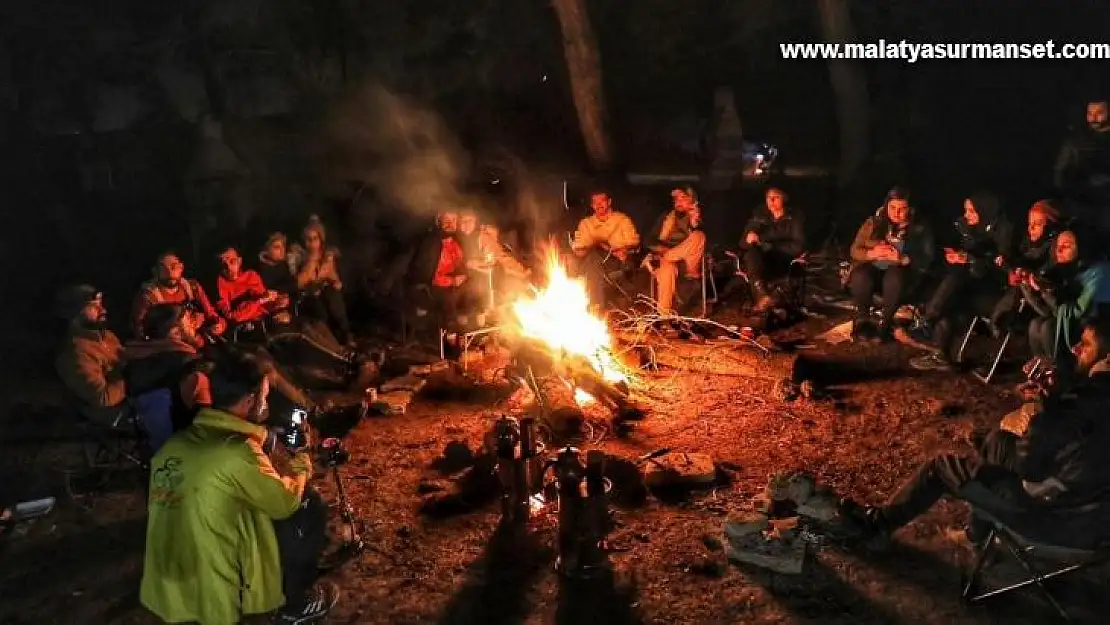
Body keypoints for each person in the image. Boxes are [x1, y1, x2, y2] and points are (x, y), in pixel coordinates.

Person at [841, 314, 1110, 550]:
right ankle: (977, 535)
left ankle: (875, 527)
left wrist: (1047, 410)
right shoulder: (1092, 397)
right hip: (1096, 516)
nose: (1075, 348)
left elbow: (1028, 465)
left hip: (1056, 517)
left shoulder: (1085, 401)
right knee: (998, 441)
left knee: (941, 467)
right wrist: (1054, 400)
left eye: (1085, 345)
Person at [140, 349, 338, 625]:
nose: (267, 404)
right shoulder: (237, 451)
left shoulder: (176, 444)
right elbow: (284, 503)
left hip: (168, 573)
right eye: (265, 397)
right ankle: (296, 600)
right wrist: (302, 461)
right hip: (214, 577)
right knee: (306, 504)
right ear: (249, 401)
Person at [910, 192, 1013, 370]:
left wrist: (970, 259)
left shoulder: (1004, 232)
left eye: (971, 211)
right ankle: (938, 350)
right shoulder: (966, 226)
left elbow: (1000, 267)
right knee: (952, 293)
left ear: (984, 211)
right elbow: (947, 246)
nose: (966, 215)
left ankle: (929, 322)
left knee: (954, 287)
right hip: (969, 284)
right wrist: (954, 255)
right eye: (966, 210)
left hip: (993, 290)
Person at [848, 187, 935, 342]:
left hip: (902, 276)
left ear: (910, 209)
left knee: (894, 276)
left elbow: (927, 259)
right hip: (876, 269)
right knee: (860, 275)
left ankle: (885, 323)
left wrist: (903, 259)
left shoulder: (919, 228)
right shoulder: (875, 222)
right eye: (892, 208)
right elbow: (855, 249)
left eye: (902, 209)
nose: (896, 213)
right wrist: (871, 253)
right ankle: (862, 321)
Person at [1022, 228, 1110, 373]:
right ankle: (1045, 367)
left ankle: (1061, 373)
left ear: (1083, 248)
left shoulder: (1098, 273)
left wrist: (1048, 292)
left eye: (1067, 245)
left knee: (1048, 328)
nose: (1060, 250)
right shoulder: (1065, 269)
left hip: (1094, 328)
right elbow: (1047, 310)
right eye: (1058, 246)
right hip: (1072, 321)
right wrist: (1029, 287)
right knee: (1035, 324)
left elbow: (1079, 312)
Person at [124, 304, 210, 433]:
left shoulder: (133, 356)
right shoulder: (190, 368)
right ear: (175, 332)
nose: (195, 325)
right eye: (189, 321)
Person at [55, 285, 128, 427]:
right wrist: (130, 377)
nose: (103, 310)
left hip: (127, 399)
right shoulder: (76, 351)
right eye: (94, 307)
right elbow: (103, 398)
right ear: (74, 315)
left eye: (101, 305)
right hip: (110, 414)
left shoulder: (107, 336)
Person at [989, 200, 1061, 333]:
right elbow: (1020, 262)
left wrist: (1030, 278)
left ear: (1051, 227)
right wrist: (1009, 269)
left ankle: (1001, 321)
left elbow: (1048, 274)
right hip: (1029, 299)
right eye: (1029, 224)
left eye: (1037, 224)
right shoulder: (1027, 245)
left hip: (1049, 304)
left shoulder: (1056, 249)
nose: (1031, 228)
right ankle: (999, 322)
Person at [570, 190, 641, 310]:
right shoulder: (586, 224)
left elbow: (634, 242)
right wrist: (596, 244)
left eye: (602, 201)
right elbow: (579, 247)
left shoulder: (622, 220)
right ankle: (594, 306)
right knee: (592, 257)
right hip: (590, 261)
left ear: (609, 202)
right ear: (592, 206)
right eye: (595, 202)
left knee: (593, 260)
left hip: (615, 261)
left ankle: (595, 305)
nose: (599, 205)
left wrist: (618, 248)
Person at [739, 187, 806, 312]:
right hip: (761, 260)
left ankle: (764, 301)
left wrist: (771, 246)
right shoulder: (759, 217)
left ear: (784, 199)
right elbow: (742, 243)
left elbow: (798, 246)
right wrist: (749, 239)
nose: (772, 201)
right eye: (768, 198)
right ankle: (763, 296)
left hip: (783, 259)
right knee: (751, 255)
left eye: (776, 197)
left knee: (755, 259)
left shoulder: (794, 218)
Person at [133, 252, 225, 341]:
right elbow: (139, 329)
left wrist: (218, 325)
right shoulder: (149, 295)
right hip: (168, 347)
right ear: (155, 271)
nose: (169, 272)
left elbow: (211, 314)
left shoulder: (192, 287)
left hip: (197, 341)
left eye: (174, 266)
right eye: (163, 268)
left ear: (181, 267)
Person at [293, 215, 353, 346]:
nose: (312, 243)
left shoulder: (327, 256)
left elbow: (335, 280)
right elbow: (299, 283)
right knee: (319, 310)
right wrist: (312, 260)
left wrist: (334, 281)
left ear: (321, 239)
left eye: (315, 239)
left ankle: (346, 336)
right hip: (305, 297)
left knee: (334, 299)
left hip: (324, 292)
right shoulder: (297, 256)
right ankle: (328, 344)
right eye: (308, 239)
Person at [647, 187, 707, 315]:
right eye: (676, 199)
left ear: (693, 200)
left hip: (690, 262)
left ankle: (669, 256)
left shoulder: (699, 216)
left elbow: (702, 235)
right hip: (668, 256)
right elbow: (650, 240)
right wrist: (659, 248)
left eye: (683, 198)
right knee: (666, 271)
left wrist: (694, 221)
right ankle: (664, 316)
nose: (679, 202)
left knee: (699, 236)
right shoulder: (666, 217)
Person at [1053, 97, 1110, 228]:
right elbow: (1060, 173)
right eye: (1090, 113)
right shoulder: (1075, 143)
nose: (1094, 117)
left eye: (1099, 113)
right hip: (1082, 207)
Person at [217, 246, 290, 327]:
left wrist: (277, 303)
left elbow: (264, 303)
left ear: (239, 261)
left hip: (264, 321)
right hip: (244, 328)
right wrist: (259, 301)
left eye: (232, 261)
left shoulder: (251, 275)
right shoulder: (220, 284)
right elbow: (232, 317)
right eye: (224, 265)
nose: (229, 268)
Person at [259, 232, 298, 298]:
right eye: (277, 247)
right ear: (266, 250)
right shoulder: (262, 270)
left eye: (283, 246)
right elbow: (270, 292)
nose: (282, 250)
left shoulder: (284, 264)